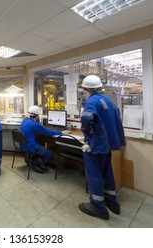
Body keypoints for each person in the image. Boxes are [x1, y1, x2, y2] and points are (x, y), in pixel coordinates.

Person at [78, 75, 126, 220]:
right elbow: (117, 116)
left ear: (85, 88)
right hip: (107, 144)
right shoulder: (108, 101)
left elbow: (86, 118)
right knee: (107, 172)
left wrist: (86, 132)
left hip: (95, 145)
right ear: (99, 87)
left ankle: (98, 207)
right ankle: (112, 202)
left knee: (94, 175)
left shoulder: (91, 101)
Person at [20, 105, 70, 173]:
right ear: (37, 115)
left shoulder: (25, 120)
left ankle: (31, 159)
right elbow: (48, 132)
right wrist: (62, 132)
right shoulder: (34, 124)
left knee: (41, 144)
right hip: (31, 147)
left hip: (23, 145)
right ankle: (33, 162)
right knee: (50, 156)